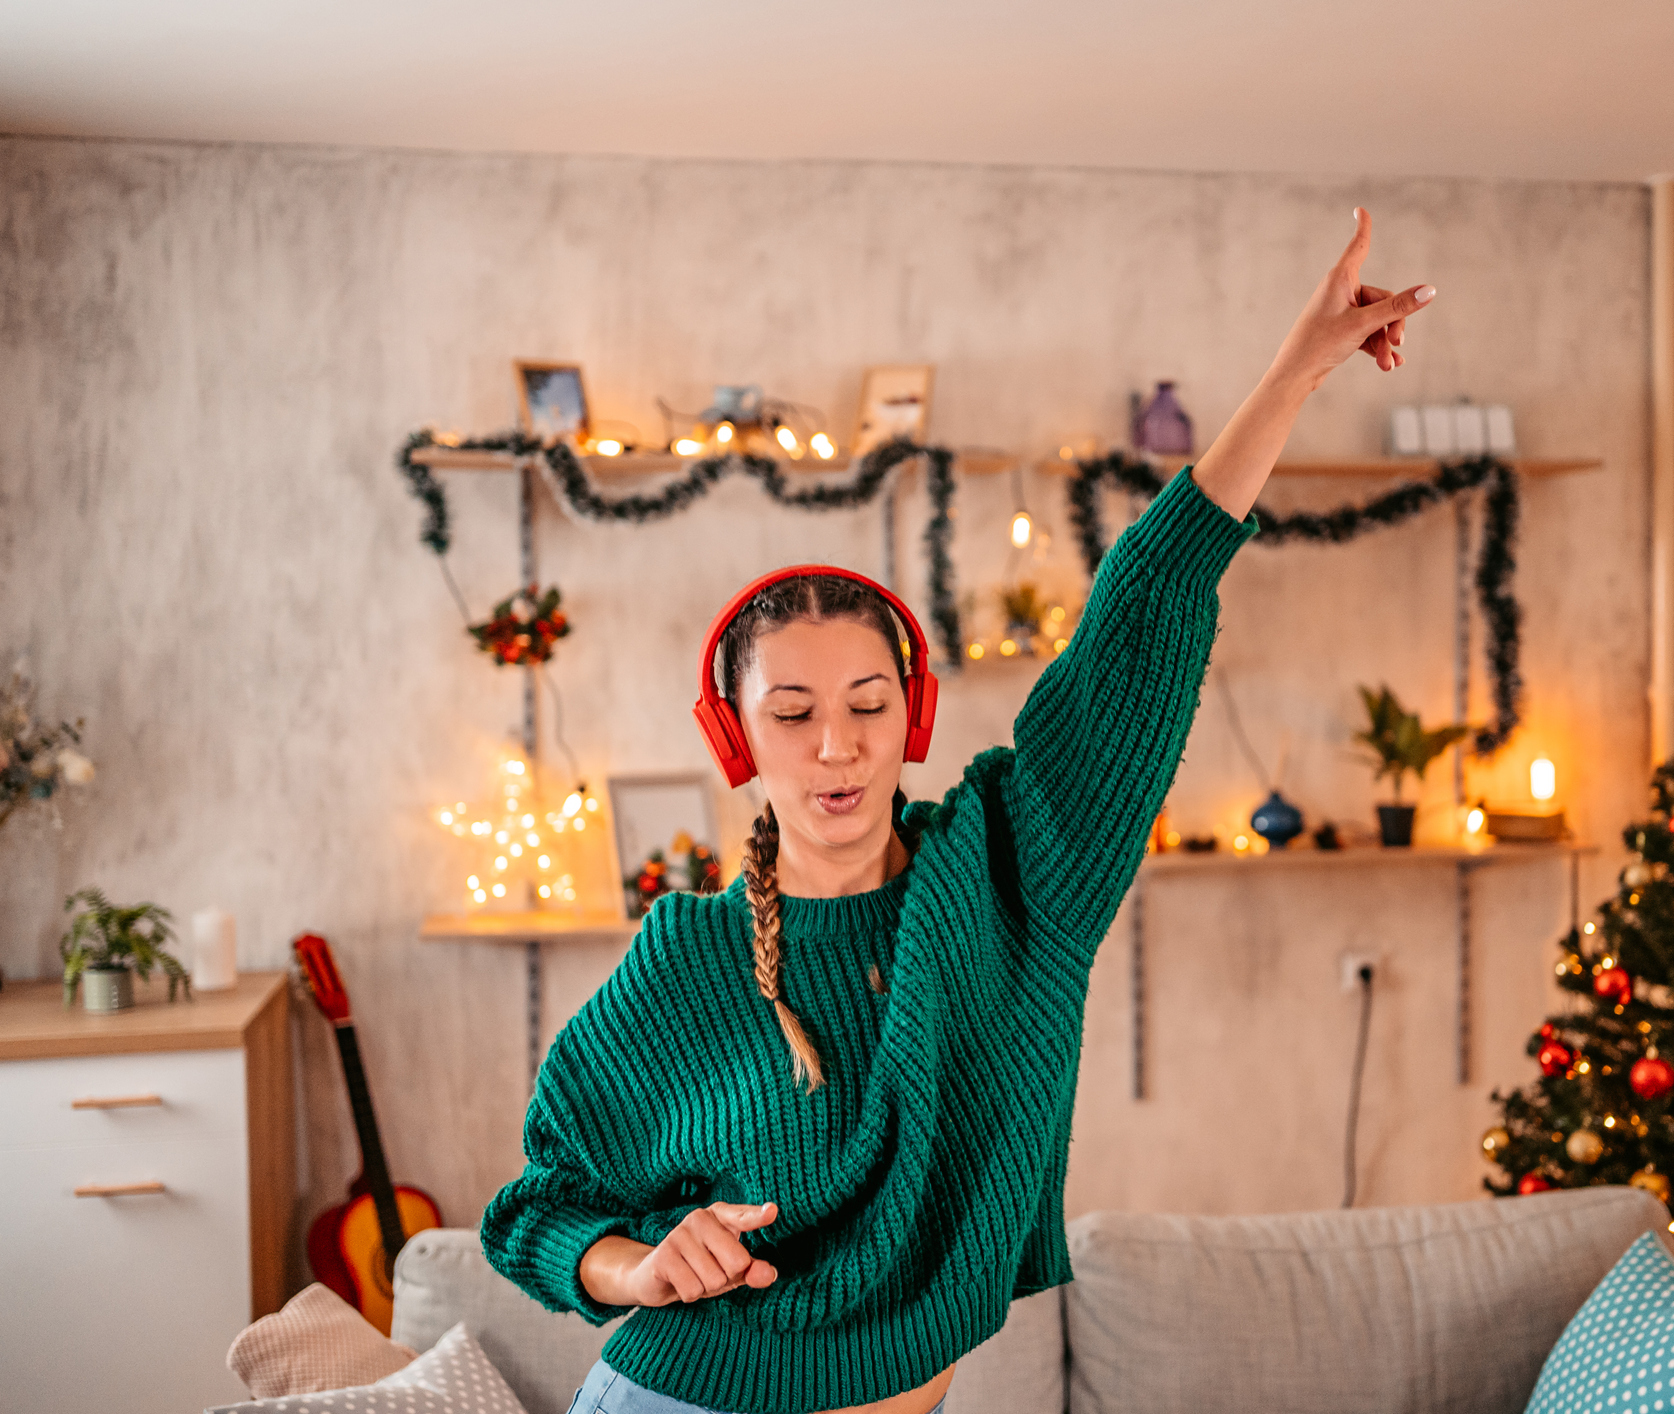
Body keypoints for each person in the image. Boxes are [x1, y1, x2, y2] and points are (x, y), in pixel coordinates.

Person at [481, 209, 1437, 1414]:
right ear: (737, 741)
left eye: (868, 704)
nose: (837, 745)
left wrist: (1293, 373)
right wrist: (641, 1265)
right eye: (791, 713)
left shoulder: (1006, 875)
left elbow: (1135, 625)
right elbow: (536, 1207)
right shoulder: (691, 954)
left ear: (913, 718)